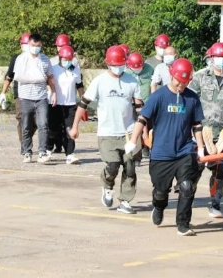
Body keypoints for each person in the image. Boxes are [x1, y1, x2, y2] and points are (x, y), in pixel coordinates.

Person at [127, 58, 205, 236]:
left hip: (184, 151)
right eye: (179, 81)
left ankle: (183, 224)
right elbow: (142, 119)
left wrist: (200, 147)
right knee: (161, 192)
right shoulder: (159, 96)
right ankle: (159, 206)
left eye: (185, 82)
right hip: (161, 153)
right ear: (171, 76)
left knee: (187, 186)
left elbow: (197, 125)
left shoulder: (192, 98)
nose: (181, 85)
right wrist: (133, 141)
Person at [69, 45, 143, 214]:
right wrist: (75, 126)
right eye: (115, 65)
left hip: (128, 132)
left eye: (121, 64)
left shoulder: (132, 81)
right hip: (107, 132)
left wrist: (143, 131)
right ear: (108, 63)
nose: (118, 68)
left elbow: (139, 107)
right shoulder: (99, 81)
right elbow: (83, 103)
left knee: (130, 167)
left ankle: (125, 201)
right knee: (113, 165)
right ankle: (107, 185)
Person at [189, 42, 223, 218]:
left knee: (218, 171)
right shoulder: (200, 77)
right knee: (195, 169)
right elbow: (189, 102)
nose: (221, 60)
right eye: (218, 57)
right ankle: (188, 198)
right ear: (211, 58)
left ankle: (215, 203)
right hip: (201, 132)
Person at [13, 33, 56, 164]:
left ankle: (42, 152)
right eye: (33, 45)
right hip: (25, 98)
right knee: (26, 126)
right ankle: (27, 152)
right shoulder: (21, 59)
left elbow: (50, 77)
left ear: (41, 45)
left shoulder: (45, 60)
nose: (35, 48)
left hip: (41, 97)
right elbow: (18, 76)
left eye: (38, 45)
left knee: (43, 125)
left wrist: (54, 93)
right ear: (28, 44)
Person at [0, 32, 35, 151]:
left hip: (35, 93)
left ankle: (26, 139)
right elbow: (9, 76)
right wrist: (3, 92)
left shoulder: (38, 58)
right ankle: (25, 146)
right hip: (20, 94)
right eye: (23, 44)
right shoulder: (16, 59)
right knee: (22, 119)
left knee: (36, 120)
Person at [48, 45, 83, 164]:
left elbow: (79, 85)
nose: (67, 61)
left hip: (70, 104)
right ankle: (48, 151)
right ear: (60, 57)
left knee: (69, 130)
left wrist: (82, 100)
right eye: (64, 59)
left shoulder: (75, 69)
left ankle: (70, 154)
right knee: (53, 129)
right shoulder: (53, 69)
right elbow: (48, 84)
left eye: (69, 59)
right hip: (55, 104)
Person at [125, 52, 155, 165]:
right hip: (133, 105)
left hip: (148, 103)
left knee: (150, 129)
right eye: (135, 68)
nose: (138, 69)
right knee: (136, 130)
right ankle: (137, 156)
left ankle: (149, 149)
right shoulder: (126, 72)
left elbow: (154, 83)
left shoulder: (149, 69)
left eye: (139, 67)